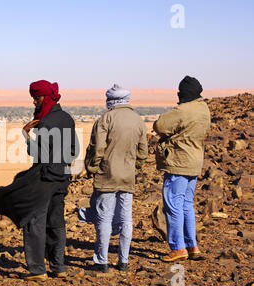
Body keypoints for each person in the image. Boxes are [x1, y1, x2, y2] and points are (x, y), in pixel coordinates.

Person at [0, 80, 77, 281]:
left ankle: (38, 270)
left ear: (45, 98)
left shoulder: (45, 122)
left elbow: (38, 152)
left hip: (45, 175)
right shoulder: (67, 118)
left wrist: (26, 134)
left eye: (36, 98)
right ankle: (59, 266)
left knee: (34, 220)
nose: (34, 102)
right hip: (63, 176)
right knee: (56, 220)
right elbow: (73, 150)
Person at [78, 84, 148, 272]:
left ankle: (102, 261)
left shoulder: (105, 119)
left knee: (104, 218)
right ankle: (123, 260)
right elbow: (143, 152)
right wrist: (135, 167)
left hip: (107, 175)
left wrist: (92, 167)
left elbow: (97, 148)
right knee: (126, 218)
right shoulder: (138, 120)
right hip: (128, 176)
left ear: (110, 99)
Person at [153, 76, 211, 262]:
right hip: (195, 162)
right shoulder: (204, 109)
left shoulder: (183, 110)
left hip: (179, 162)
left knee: (173, 204)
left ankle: (178, 248)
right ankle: (192, 245)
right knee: (187, 204)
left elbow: (160, 126)